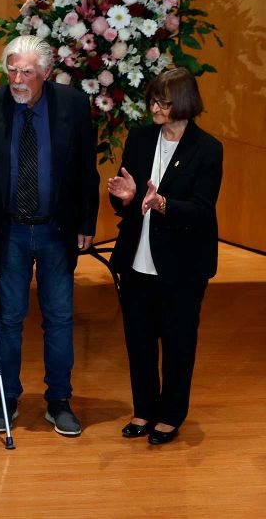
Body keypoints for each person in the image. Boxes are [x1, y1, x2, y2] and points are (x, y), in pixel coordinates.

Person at [0, 35, 99, 437]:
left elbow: (85, 170)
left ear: (46, 74)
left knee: (59, 319)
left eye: (27, 72)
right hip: (9, 230)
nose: (18, 79)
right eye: (12, 70)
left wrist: (86, 224)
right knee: (9, 319)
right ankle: (7, 398)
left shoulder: (72, 104)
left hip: (57, 229)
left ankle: (59, 400)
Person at [107, 68, 222, 445]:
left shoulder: (206, 149)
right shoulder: (140, 139)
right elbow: (127, 202)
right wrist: (125, 197)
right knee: (138, 339)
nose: (155, 107)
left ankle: (171, 415)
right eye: (153, 99)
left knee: (177, 341)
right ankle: (143, 410)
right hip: (136, 260)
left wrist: (163, 203)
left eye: (164, 102)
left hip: (182, 265)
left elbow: (203, 210)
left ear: (185, 104)